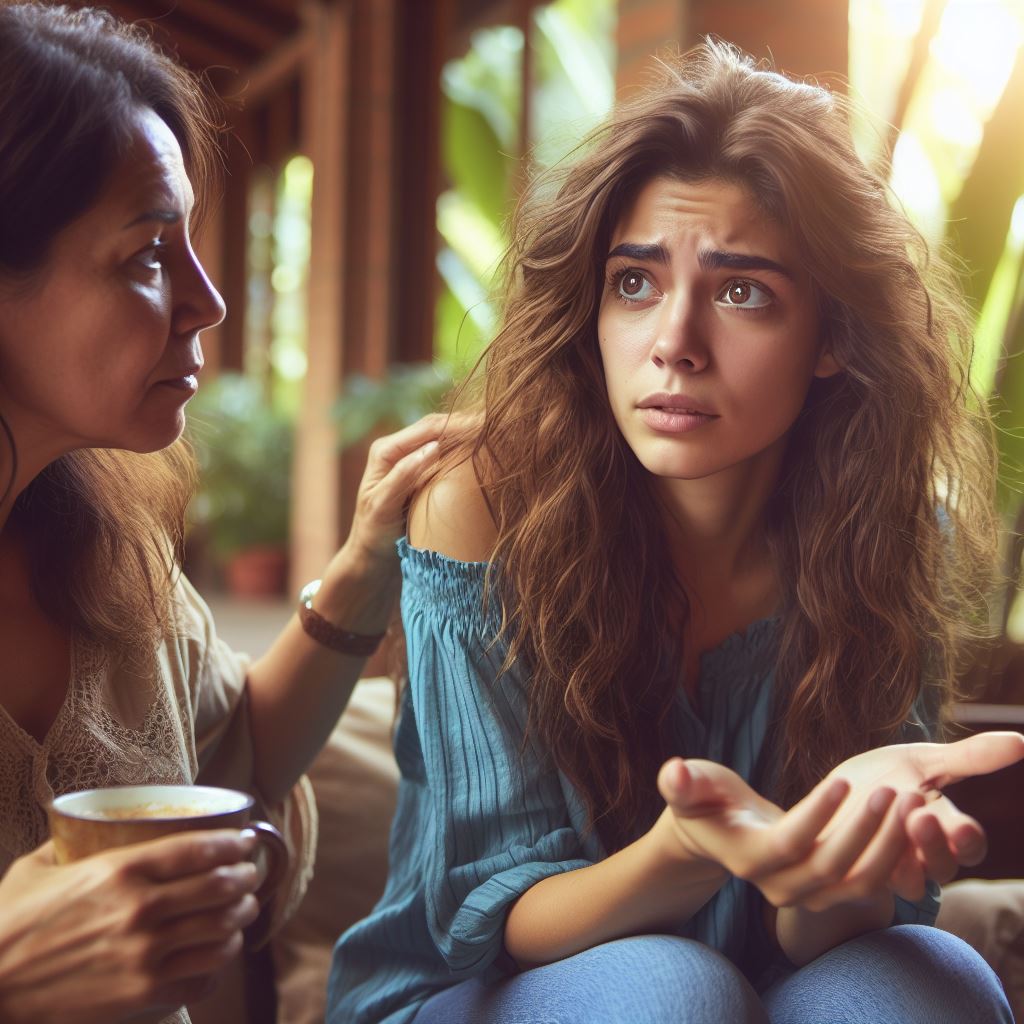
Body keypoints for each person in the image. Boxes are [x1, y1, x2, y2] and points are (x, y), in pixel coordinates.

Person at [327, 40, 1024, 1024]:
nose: (674, 343)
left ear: (831, 337)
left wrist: (844, 856)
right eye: (635, 284)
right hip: (481, 986)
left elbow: (821, 938)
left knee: (922, 983)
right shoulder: (484, 506)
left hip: (765, 981)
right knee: (672, 991)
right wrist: (686, 847)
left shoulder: (899, 536)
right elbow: (490, 912)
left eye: (742, 293)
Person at [0, 4, 453, 1023]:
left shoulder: (111, 559)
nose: (209, 301)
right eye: (147, 257)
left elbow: (229, 754)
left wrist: (364, 562)